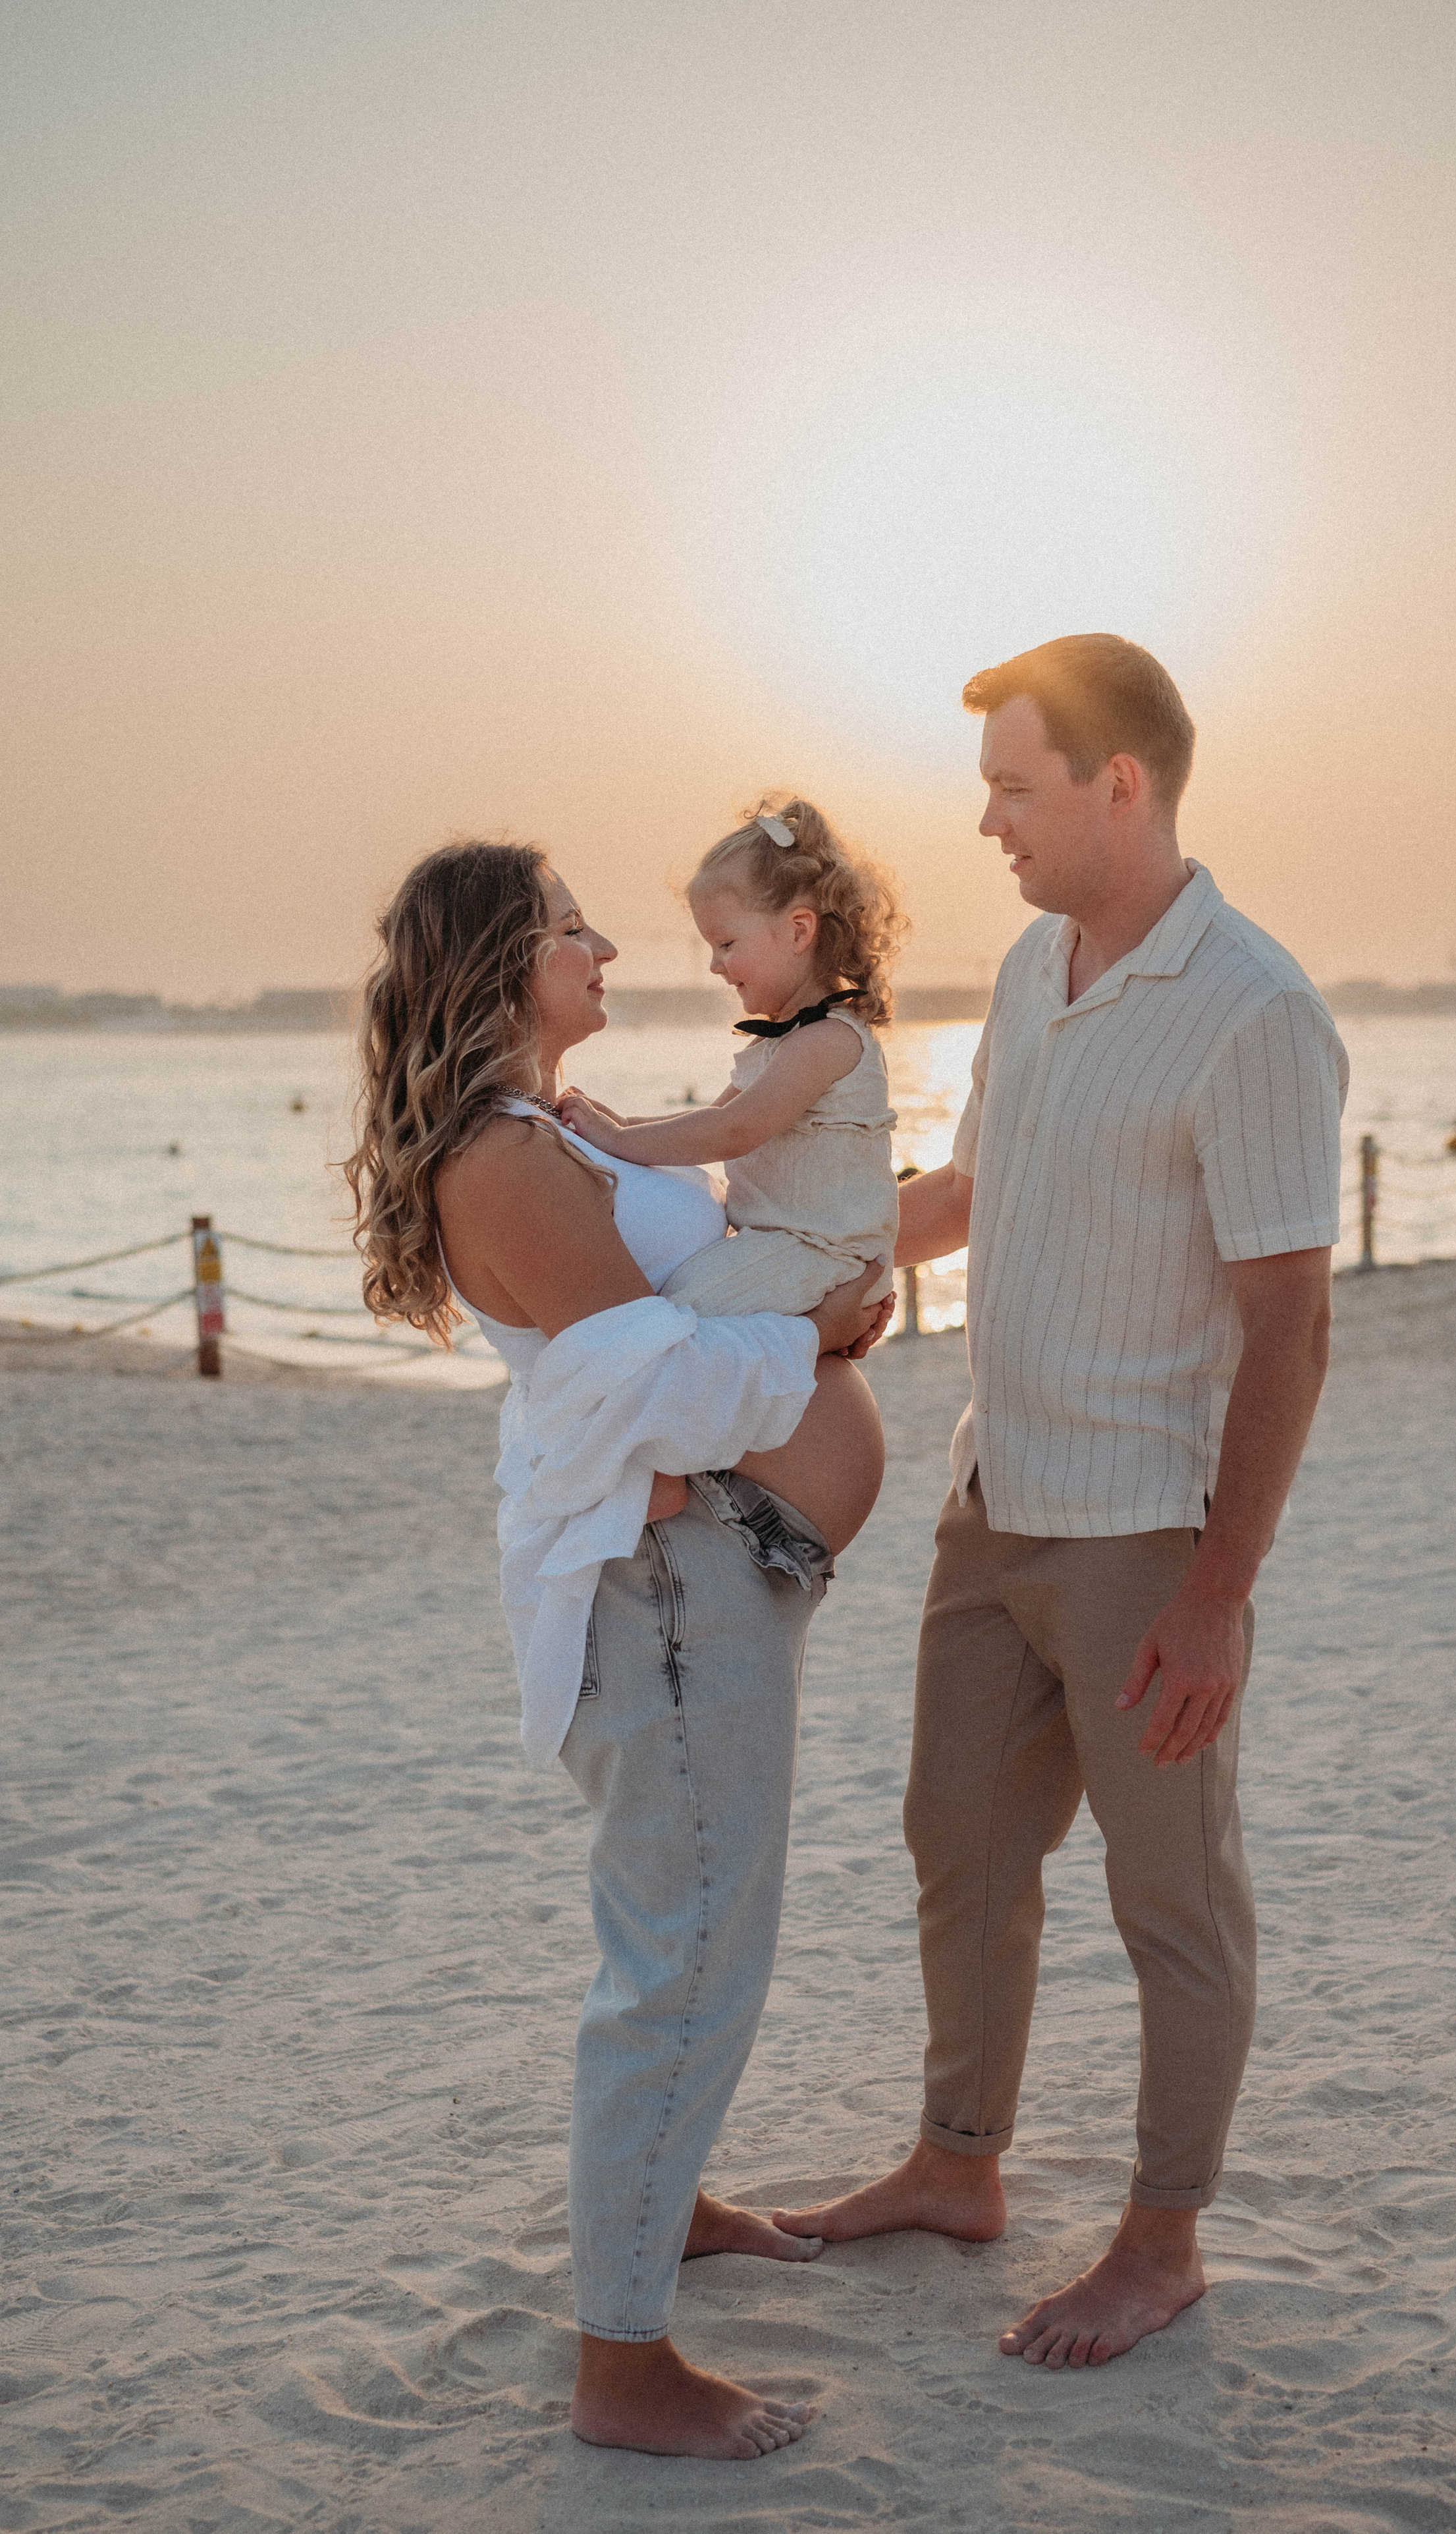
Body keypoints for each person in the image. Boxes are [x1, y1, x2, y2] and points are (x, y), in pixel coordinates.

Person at [772, 635, 1348, 2371]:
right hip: (988, 1495)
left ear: (1123, 783)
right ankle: (960, 2162)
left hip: (1142, 1536)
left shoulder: (1255, 1011)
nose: (987, 820)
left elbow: (1290, 1323)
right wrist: (821, 1267)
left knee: (1172, 1897)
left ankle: (1162, 2237)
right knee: (957, 1840)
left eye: (1015, 786)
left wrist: (1218, 1588)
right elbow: (972, 1179)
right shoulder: (1032, 967)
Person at [343, 839, 890, 2460]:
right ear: (499, 960)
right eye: (567, 925)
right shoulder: (503, 1159)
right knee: (682, 1966)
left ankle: (670, 2199)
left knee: (693, 1941)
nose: (602, 944)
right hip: (664, 1600)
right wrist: (822, 1333)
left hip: (703, 1572)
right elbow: (644, 1387)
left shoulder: (546, 1133)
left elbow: (676, 1325)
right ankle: (622, 2365)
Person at [560, 794, 903, 1317]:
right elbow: (710, 1119)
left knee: (673, 1314)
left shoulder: (828, 1039)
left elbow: (733, 1131)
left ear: (798, 930)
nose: (716, 966)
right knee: (663, 1303)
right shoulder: (779, 1042)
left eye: (725, 944)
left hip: (824, 1253)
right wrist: (620, 1120)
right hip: (783, 1245)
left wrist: (618, 1138)